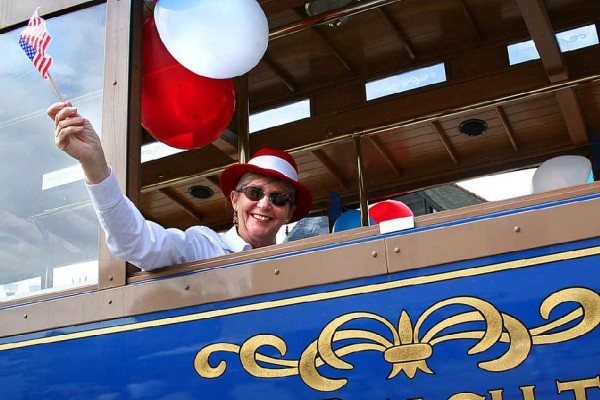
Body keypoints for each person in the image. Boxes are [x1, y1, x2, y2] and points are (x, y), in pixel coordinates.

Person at [47, 101, 312, 271]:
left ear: (289, 212)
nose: (265, 204)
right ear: (234, 199)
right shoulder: (204, 248)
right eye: (255, 192)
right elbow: (136, 243)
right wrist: (95, 166)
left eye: (279, 199)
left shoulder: (299, 264)